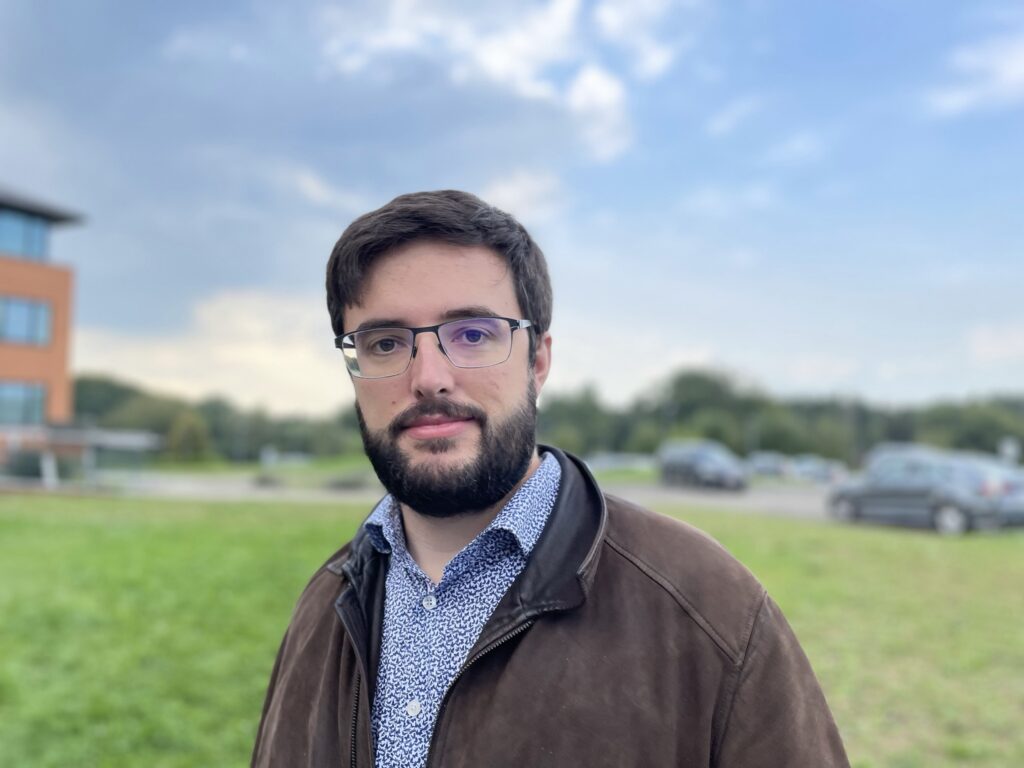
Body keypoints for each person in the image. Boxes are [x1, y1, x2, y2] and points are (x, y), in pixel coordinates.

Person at [251, 190, 850, 768]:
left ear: (537, 361)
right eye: (385, 343)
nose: (429, 377)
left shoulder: (711, 610)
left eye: (473, 334)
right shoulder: (323, 604)